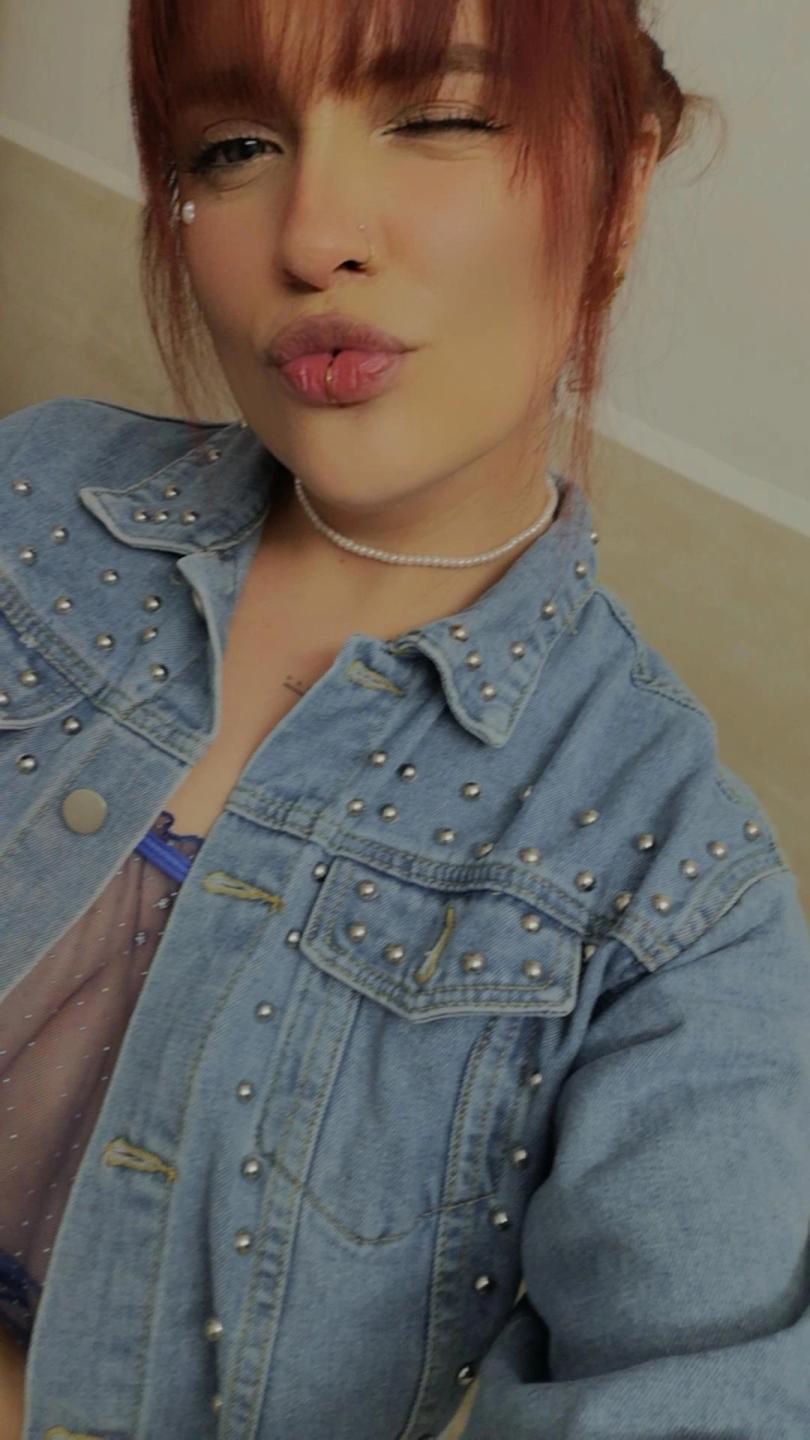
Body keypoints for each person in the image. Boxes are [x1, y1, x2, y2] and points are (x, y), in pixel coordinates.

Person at [1, 0, 808, 1436]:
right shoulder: (32, 501)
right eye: (234, 145)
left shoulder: (671, 892)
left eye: (438, 116)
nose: (312, 237)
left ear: (618, 189)